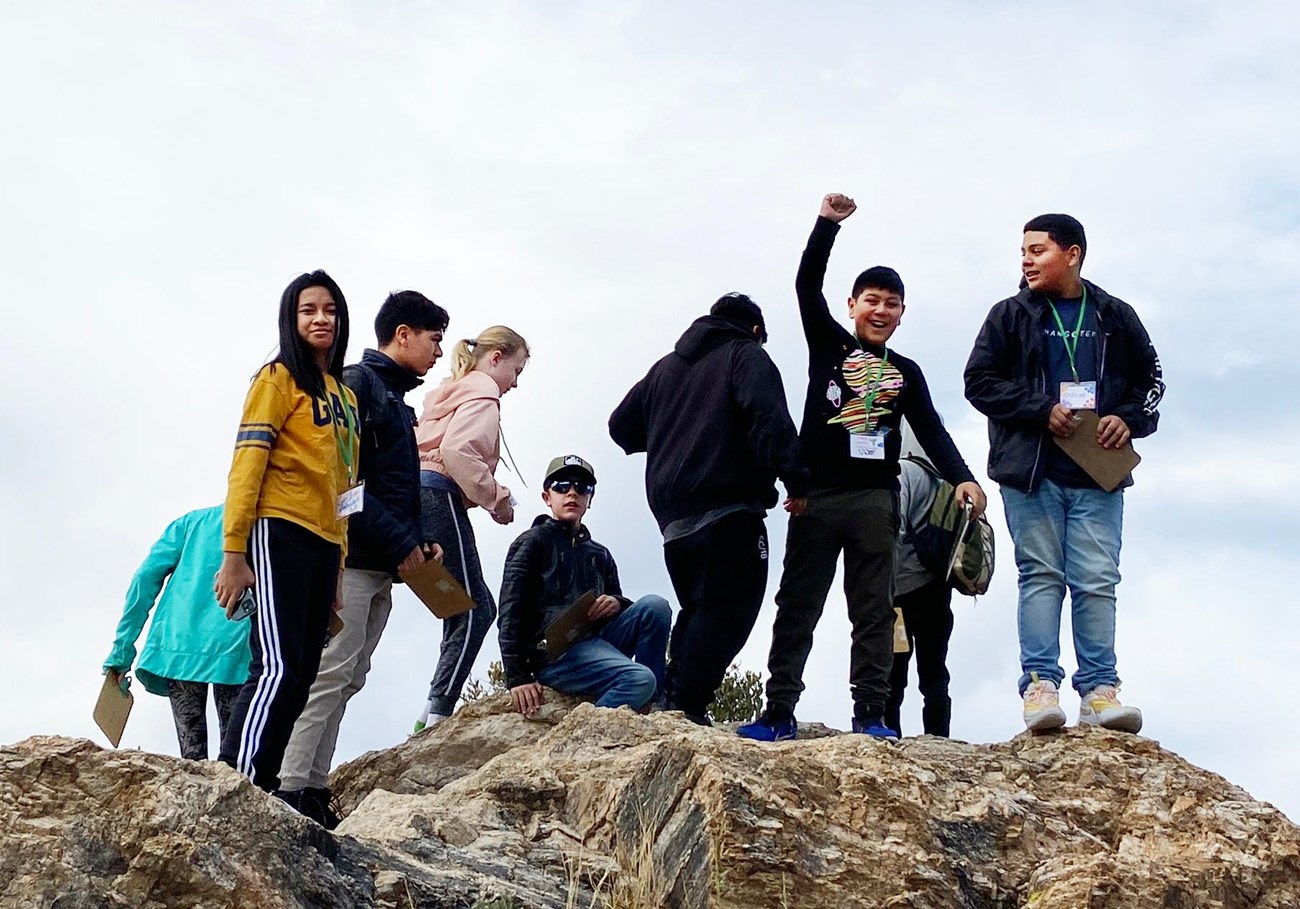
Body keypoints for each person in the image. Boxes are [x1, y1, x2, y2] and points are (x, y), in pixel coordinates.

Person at [739, 193, 985, 743]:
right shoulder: (828, 343)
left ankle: (872, 714)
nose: (881, 311)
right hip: (817, 497)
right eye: (871, 300)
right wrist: (827, 225)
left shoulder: (908, 371)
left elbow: (935, 431)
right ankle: (778, 710)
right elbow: (806, 286)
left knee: (874, 610)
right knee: (798, 605)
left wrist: (963, 477)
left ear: (902, 313)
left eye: (892, 303)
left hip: (876, 499)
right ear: (852, 305)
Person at [964, 213, 1163, 734]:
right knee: (1041, 576)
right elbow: (978, 381)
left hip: (1099, 472)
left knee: (1098, 580)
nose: (1026, 260)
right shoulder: (1009, 315)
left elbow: (1152, 379)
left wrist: (1130, 419)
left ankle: (1100, 692)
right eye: (1023, 252)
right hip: (1031, 472)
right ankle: (1039, 688)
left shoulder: (1115, 316)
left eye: (1037, 250)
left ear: (1072, 254)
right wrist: (1037, 408)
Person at [277, 290, 449, 826]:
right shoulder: (357, 385)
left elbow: (396, 486)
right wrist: (402, 541)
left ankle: (314, 787)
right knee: (328, 674)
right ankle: (288, 787)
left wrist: (420, 538)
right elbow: (343, 486)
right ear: (403, 335)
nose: (439, 352)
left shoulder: (396, 401)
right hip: (350, 561)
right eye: (434, 339)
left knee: (350, 677)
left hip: (384, 564)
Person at [609, 293, 808, 726]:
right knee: (729, 611)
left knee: (699, 609)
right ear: (756, 331)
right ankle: (686, 705)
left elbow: (620, 427)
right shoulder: (746, 354)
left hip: (673, 520)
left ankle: (672, 699)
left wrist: (673, 429)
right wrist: (798, 480)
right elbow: (768, 419)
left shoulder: (665, 368)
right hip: (728, 506)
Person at [214, 270, 360, 793]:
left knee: (301, 672)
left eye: (331, 311)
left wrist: (340, 565)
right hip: (279, 529)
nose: (321, 319)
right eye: (308, 310)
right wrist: (234, 552)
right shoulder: (276, 379)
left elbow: (346, 485)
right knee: (276, 666)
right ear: (291, 319)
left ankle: (265, 781)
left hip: (325, 542)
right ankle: (237, 781)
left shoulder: (345, 396)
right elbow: (246, 465)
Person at [413, 325, 529, 731]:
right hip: (441, 494)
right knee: (477, 609)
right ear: (496, 358)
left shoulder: (447, 393)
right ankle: (438, 715)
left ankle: (431, 711)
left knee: (457, 607)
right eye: (516, 371)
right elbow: (456, 451)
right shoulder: (484, 395)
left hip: (418, 496)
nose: (514, 384)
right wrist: (495, 496)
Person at [498, 455, 671, 715]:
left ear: (590, 499)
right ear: (547, 497)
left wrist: (617, 603)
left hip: (598, 642)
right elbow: (510, 611)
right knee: (640, 679)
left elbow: (618, 600)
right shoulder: (532, 543)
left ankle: (652, 703)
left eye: (582, 487)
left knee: (656, 606)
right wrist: (518, 677)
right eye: (562, 485)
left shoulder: (599, 553)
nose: (572, 493)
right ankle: (586, 729)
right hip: (556, 653)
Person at [103, 505, 250, 760]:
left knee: (192, 756)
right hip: (237, 645)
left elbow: (144, 579)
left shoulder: (190, 523)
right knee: (236, 758)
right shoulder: (266, 525)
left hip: (178, 643)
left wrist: (122, 650)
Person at [884, 425, 956, 738]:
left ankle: (890, 736)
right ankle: (939, 737)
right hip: (937, 586)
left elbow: (892, 531)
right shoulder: (947, 478)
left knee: (894, 670)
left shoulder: (903, 472)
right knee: (935, 671)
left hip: (898, 591)